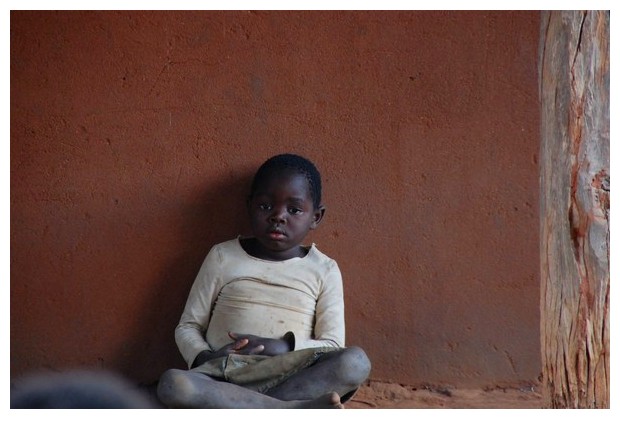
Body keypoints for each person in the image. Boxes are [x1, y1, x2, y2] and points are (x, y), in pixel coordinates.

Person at [157, 153, 371, 408]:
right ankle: (288, 411)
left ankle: (253, 409)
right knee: (173, 383)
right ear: (250, 206)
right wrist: (205, 357)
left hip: (291, 374)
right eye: (265, 206)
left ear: (316, 216)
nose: (278, 216)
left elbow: (333, 344)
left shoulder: (324, 269)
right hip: (225, 374)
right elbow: (188, 326)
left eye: (294, 209)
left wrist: (283, 346)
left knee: (355, 362)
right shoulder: (223, 256)